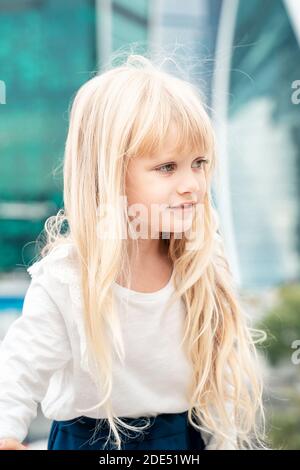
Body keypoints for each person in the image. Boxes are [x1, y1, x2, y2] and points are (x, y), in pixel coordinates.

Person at [0, 53, 268, 451]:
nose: (191, 184)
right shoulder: (65, 279)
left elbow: (220, 389)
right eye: (166, 167)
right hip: (88, 441)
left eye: (198, 163)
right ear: (108, 175)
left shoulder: (202, 264)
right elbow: (18, 373)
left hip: (182, 440)